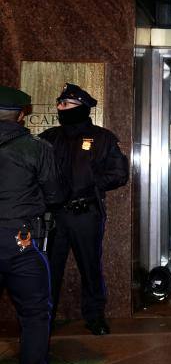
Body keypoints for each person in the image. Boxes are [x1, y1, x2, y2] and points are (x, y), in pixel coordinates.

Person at [40, 83, 129, 335]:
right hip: (54, 216)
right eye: (59, 103)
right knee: (50, 269)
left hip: (85, 213)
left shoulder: (102, 138)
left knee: (90, 267)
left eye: (66, 104)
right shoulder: (49, 138)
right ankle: (44, 317)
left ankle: (95, 316)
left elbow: (119, 174)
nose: (60, 107)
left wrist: (89, 183)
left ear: (82, 107)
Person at [0, 86, 67, 364]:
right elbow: (54, 195)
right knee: (36, 317)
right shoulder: (35, 148)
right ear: (22, 114)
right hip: (20, 243)